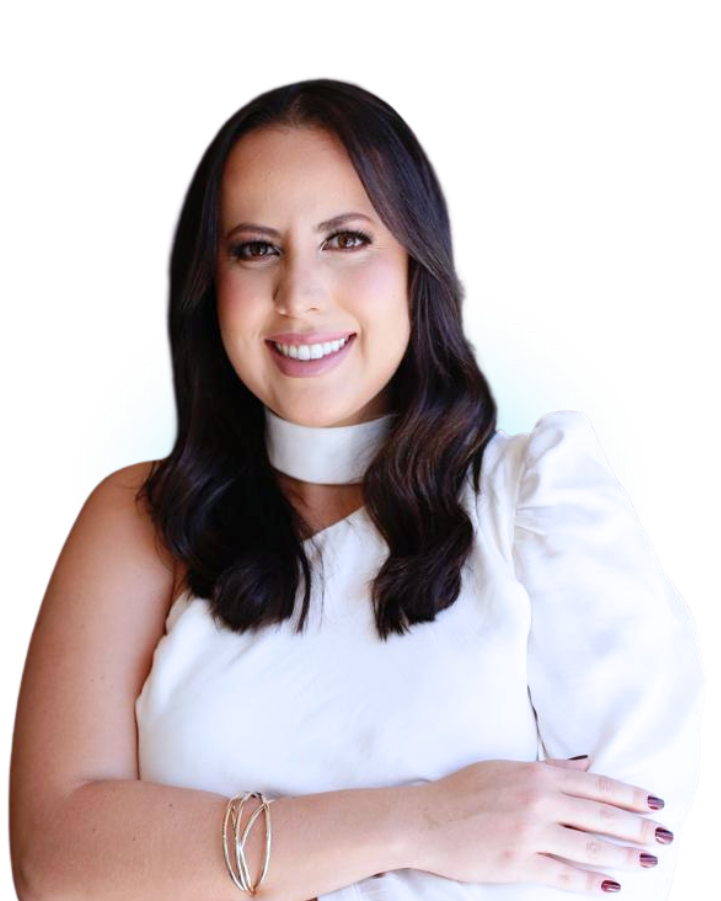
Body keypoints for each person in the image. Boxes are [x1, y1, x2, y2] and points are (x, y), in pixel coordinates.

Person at [8, 75, 706, 901]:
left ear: (417, 262)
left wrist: (196, 859)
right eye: (254, 248)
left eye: (345, 239)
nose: (298, 295)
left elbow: (619, 864)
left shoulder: (543, 499)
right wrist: (419, 820)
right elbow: (55, 859)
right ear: (208, 282)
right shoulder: (142, 521)